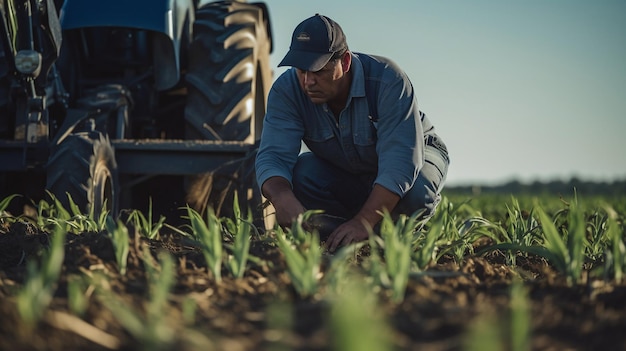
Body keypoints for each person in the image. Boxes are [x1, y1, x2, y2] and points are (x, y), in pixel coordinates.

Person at [255, 14, 449, 252]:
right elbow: (273, 155)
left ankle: (393, 236)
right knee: (301, 174)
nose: (308, 82)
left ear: (345, 62)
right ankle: (345, 238)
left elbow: (401, 164)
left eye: (318, 70)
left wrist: (363, 221)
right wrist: (281, 196)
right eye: (301, 70)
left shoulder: (387, 79)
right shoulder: (287, 91)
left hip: (416, 155)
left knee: (417, 191)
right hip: (346, 165)